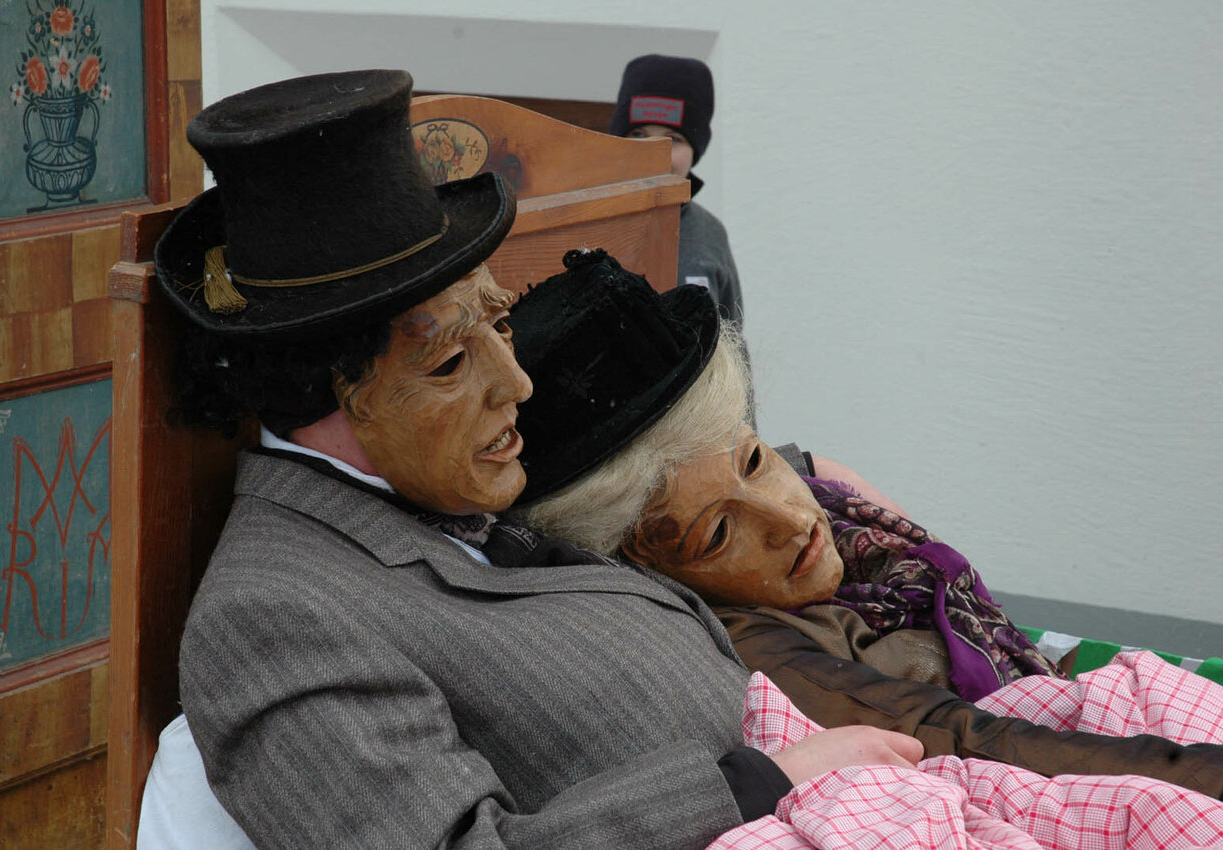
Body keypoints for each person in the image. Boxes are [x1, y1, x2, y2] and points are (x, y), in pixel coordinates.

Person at [144, 69, 921, 850]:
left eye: (500, 325)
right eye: (450, 363)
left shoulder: (442, 479)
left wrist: (800, 468)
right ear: (330, 398)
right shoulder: (273, 615)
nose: (515, 384)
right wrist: (756, 785)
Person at [508, 250, 1223, 797]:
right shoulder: (754, 647)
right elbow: (961, 736)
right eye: (718, 534)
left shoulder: (834, 501)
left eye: (754, 461)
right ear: (644, 569)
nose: (790, 519)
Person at [610, 54, 744, 329]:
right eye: (639, 134)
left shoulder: (710, 234)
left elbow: (732, 339)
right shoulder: (579, 222)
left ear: (695, 151)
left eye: (673, 138)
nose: (655, 152)